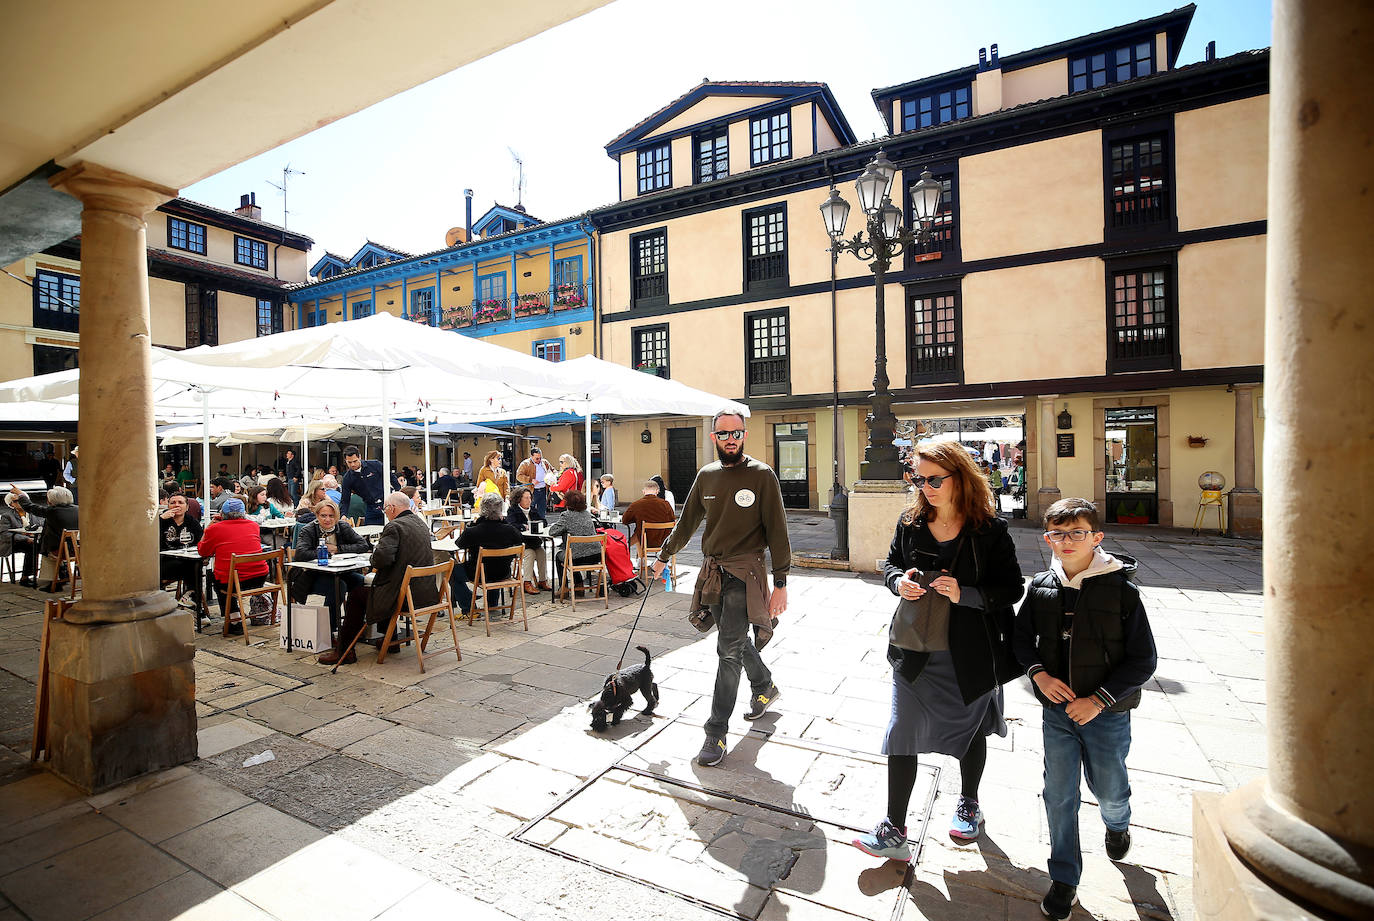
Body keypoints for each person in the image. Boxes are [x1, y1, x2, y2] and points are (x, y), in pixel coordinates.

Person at [851, 439, 1024, 863]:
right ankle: (894, 828)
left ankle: (969, 802)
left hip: (971, 652)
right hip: (916, 649)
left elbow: (1011, 588)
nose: (924, 486)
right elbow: (890, 563)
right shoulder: (910, 523)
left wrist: (965, 593)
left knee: (971, 732)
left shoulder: (990, 531)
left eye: (933, 479)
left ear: (959, 478)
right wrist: (898, 582)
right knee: (901, 731)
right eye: (918, 477)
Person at [1013, 498, 1157, 920]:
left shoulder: (1121, 589)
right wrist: (1038, 674)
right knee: (1059, 793)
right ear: (1047, 539)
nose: (1067, 541)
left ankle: (1118, 824)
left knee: (1109, 787)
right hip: (1057, 713)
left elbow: (1143, 659)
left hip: (1106, 715)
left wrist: (1098, 701)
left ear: (1097, 537)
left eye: (1077, 532)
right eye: (1058, 533)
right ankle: (1064, 877)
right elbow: (1022, 640)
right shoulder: (1041, 585)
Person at [650, 411, 789, 767]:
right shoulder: (707, 476)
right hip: (713, 572)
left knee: (727, 649)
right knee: (735, 639)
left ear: (744, 434)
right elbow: (687, 522)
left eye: (736, 432)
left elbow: (778, 531)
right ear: (713, 437)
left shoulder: (762, 475)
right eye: (724, 433)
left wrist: (781, 584)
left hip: (746, 573)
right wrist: (664, 555)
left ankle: (716, 732)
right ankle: (764, 686)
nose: (731, 438)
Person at [320, 492, 438, 666]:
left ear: (392, 508)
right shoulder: (420, 522)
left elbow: (381, 560)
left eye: (385, 509)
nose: (385, 513)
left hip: (404, 597)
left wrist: (371, 558)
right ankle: (390, 640)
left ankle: (345, 651)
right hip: (426, 593)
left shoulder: (395, 526)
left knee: (358, 594)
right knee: (379, 587)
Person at [291, 498, 369, 630]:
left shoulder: (343, 527)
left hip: (342, 571)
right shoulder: (308, 530)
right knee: (339, 587)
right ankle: (329, 629)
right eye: (323, 516)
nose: (327, 519)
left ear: (337, 516)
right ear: (317, 516)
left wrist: (338, 549)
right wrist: (325, 552)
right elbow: (300, 554)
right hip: (313, 576)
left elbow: (363, 545)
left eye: (331, 516)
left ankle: (354, 626)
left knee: (362, 582)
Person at [197, 498, 268, 633]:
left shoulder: (215, 529)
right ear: (243, 513)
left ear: (222, 514)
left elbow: (203, 551)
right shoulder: (253, 526)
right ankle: (235, 617)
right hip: (259, 578)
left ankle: (234, 619)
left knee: (216, 577)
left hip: (234, 582)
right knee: (227, 575)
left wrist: (208, 529)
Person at [458, 493, 527, 611]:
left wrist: (474, 523)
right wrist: (504, 521)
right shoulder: (509, 530)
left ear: (482, 509)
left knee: (452, 571)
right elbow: (520, 539)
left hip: (479, 573)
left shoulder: (473, 531)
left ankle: (468, 605)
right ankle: (492, 604)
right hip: (503, 572)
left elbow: (459, 543)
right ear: (500, 510)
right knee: (495, 562)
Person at [10, 485, 78, 592]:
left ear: (52, 501)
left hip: (61, 551)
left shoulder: (52, 511)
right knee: (48, 546)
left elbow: (29, 506)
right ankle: (62, 575)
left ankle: (53, 582)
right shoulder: (77, 509)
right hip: (77, 550)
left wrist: (20, 494)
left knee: (46, 551)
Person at [545, 489, 601, 591]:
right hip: (596, 556)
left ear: (567, 503)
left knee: (560, 556)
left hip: (577, 558)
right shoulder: (587, 514)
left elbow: (552, 532)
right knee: (571, 554)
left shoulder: (567, 516)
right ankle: (579, 585)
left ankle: (564, 588)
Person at [157, 494, 204, 611]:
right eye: (173, 502)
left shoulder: (192, 522)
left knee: (195, 564)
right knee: (194, 566)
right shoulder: (161, 521)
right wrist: (161, 519)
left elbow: (201, 542)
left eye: (180, 502)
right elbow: (149, 538)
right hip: (165, 563)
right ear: (168, 506)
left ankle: (192, 600)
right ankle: (194, 604)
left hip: (187, 562)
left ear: (187, 507)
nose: (176, 505)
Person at [506, 485, 552, 594]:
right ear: (519, 499)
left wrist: (538, 524)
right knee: (530, 554)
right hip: (519, 544)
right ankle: (527, 582)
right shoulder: (513, 510)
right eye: (526, 498)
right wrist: (524, 526)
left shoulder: (533, 510)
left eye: (530, 498)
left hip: (533, 542)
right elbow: (511, 525)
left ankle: (542, 580)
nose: (529, 500)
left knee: (542, 552)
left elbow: (544, 522)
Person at [622, 479, 675, 554]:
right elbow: (672, 521)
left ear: (643, 491)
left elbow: (625, 520)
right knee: (640, 531)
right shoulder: (666, 504)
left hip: (644, 541)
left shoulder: (636, 505)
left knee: (638, 531)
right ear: (657, 491)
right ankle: (663, 560)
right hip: (663, 541)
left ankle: (641, 559)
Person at [338, 445, 389, 526]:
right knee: (370, 532)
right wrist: (343, 514)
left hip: (387, 503)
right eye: (349, 462)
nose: (353, 464)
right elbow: (345, 499)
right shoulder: (347, 478)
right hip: (371, 507)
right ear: (345, 461)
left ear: (360, 457)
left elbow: (391, 478)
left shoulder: (375, 465)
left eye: (355, 461)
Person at [2, 491, 36, 585]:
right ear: (11, 504)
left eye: (22, 500)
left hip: (32, 540)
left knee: (50, 544)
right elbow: (5, 534)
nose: (20, 503)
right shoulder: (7, 516)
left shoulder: (32, 513)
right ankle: (25, 577)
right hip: (12, 543)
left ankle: (60, 574)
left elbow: (40, 525)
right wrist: (25, 538)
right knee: (31, 547)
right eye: (16, 501)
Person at [515, 447, 551, 519]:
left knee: (542, 510)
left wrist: (552, 477)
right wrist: (530, 480)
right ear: (531, 456)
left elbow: (552, 470)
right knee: (529, 510)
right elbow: (518, 476)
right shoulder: (525, 464)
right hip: (532, 491)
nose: (539, 460)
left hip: (543, 490)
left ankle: (542, 525)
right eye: (537, 458)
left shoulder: (545, 462)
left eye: (540, 458)